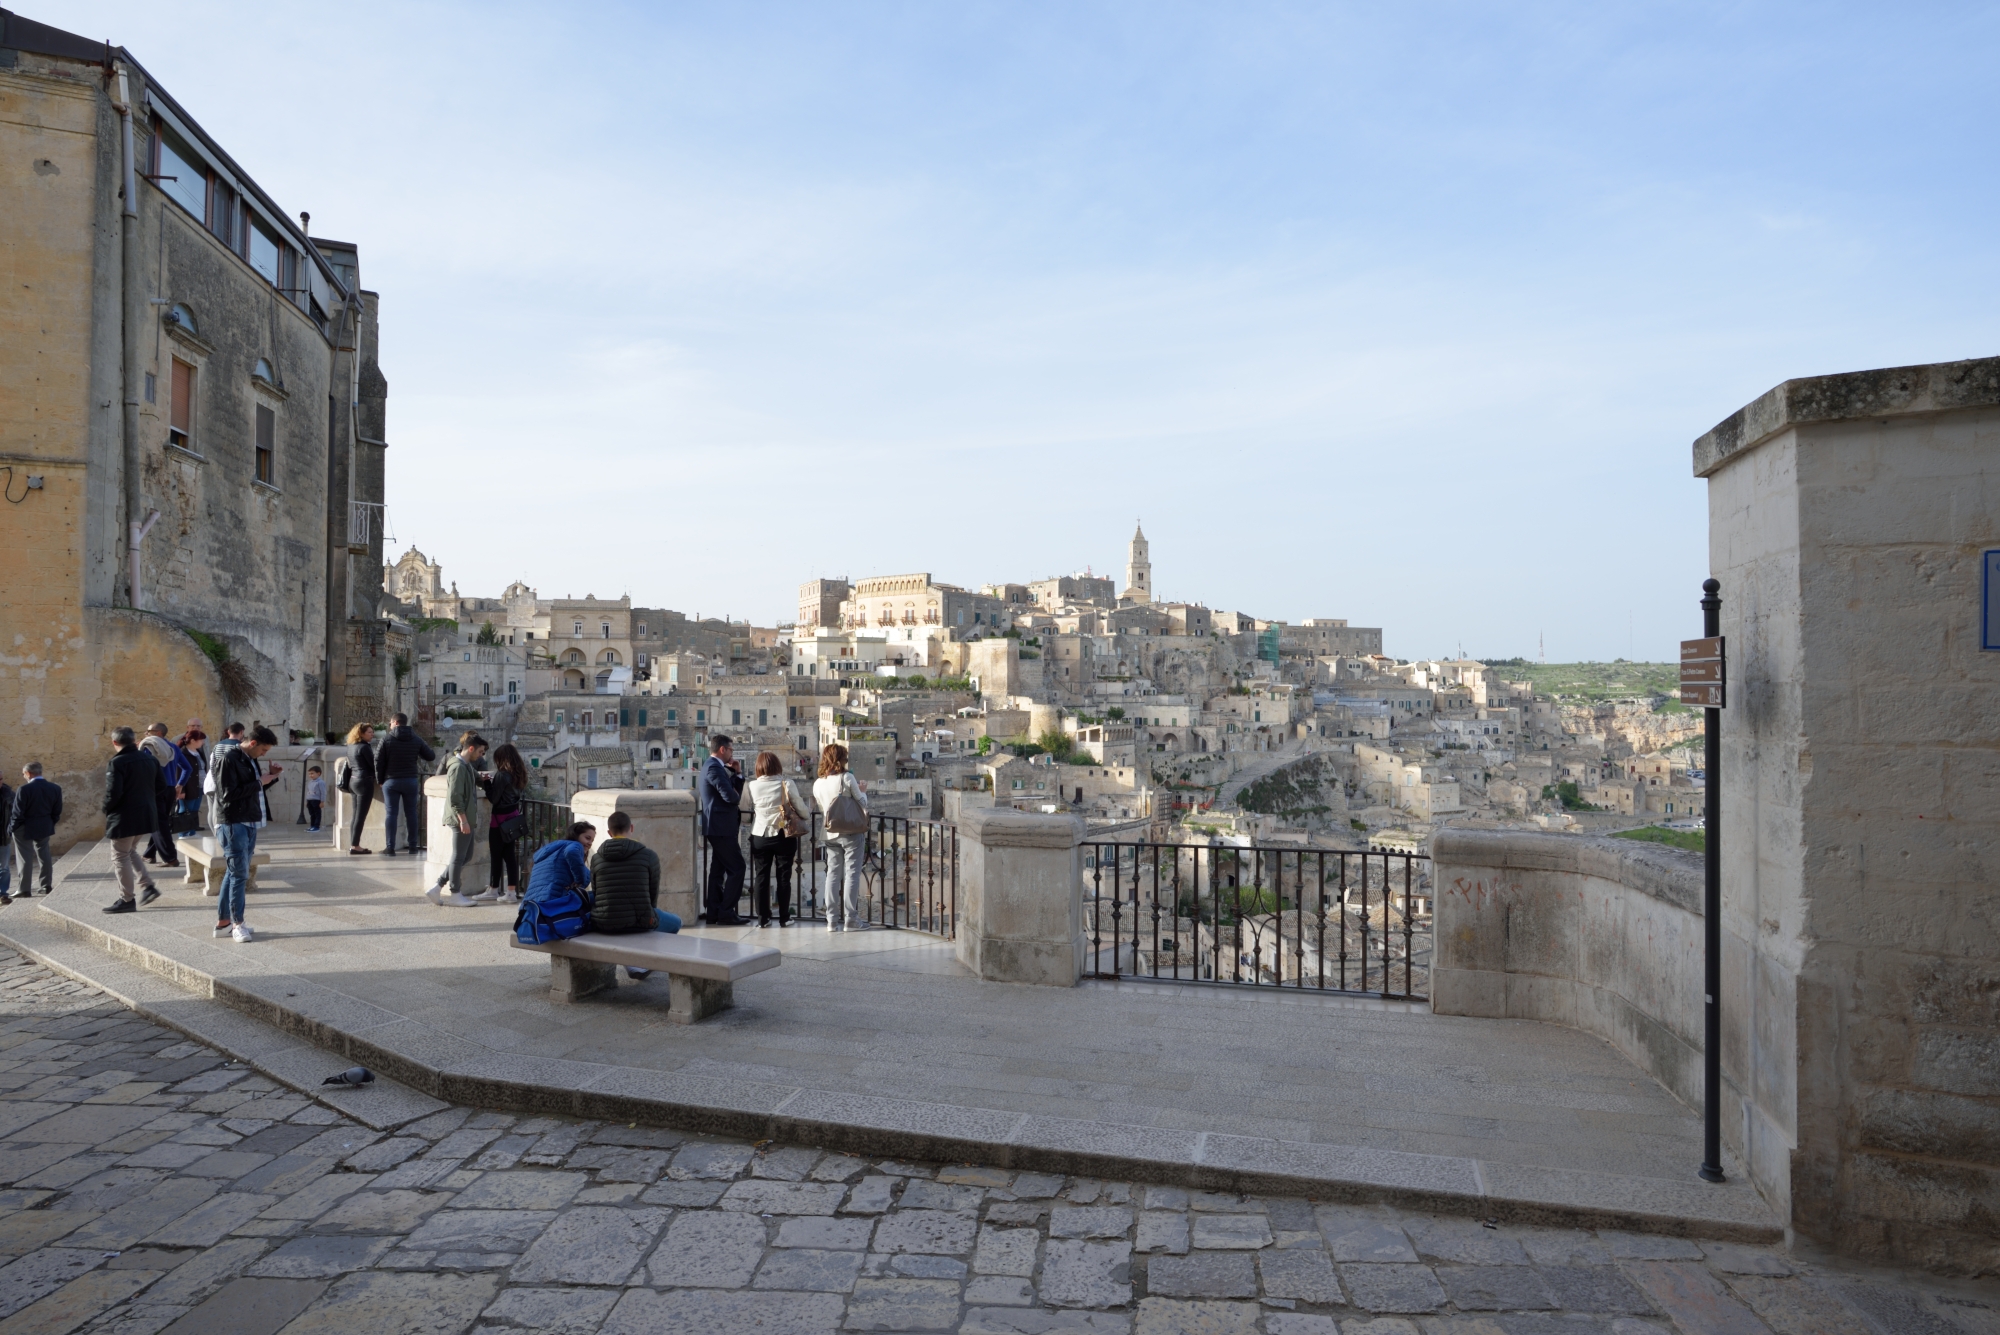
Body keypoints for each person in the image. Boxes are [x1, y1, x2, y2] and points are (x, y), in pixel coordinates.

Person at [589, 811, 679, 977]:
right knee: (675, 922)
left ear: (609, 832)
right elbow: (653, 896)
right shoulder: (649, 856)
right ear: (631, 828)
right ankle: (640, 962)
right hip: (638, 921)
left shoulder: (596, 858)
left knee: (627, 921)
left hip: (603, 921)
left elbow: (596, 892)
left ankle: (634, 963)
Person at [212, 725, 280, 942]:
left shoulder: (251, 759)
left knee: (234, 873)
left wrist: (271, 777)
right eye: (263, 750)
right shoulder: (230, 759)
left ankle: (223, 923)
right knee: (240, 875)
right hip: (234, 823)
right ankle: (237, 924)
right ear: (253, 743)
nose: (264, 754)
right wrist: (261, 781)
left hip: (249, 821)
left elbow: (252, 789)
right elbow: (227, 794)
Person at [102, 726, 171, 914]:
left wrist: (106, 809)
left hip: (125, 816)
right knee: (129, 851)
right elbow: (161, 785)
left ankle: (126, 899)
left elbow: (113, 793)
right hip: (146, 813)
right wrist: (144, 799)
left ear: (114, 742)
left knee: (119, 855)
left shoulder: (117, 763)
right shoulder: (150, 759)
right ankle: (148, 886)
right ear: (134, 741)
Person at [813, 743, 869, 932]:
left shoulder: (817, 784)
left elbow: (823, 810)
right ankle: (851, 920)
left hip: (829, 834)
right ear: (841, 759)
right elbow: (862, 803)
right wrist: (863, 791)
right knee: (852, 873)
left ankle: (831, 920)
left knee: (833, 874)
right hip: (851, 832)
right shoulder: (847, 778)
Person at [746, 751, 807, 928]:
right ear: (777, 766)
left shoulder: (751, 785)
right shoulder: (786, 783)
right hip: (783, 835)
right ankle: (784, 917)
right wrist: (805, 816)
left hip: (759, 835)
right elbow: (799, 806)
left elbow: (744, 812)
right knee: (784, 876)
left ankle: (762, 918)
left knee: (761, 877)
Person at [428, 732, 486, 907]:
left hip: (464, 817)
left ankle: (437, 887)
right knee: (458, 856)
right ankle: (454, 893)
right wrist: (463, 820)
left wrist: (485, 778)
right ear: (470, 748)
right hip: (460, 819)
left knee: (464, 855)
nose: (481, 756)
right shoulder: (458, 767)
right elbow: (454, 798)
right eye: (480, 752)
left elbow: (476, 777)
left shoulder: (466, 765)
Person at [698, 734, 747, 926]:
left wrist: (737, 774)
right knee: (738, 868)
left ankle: (714, 913)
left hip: (720, 826)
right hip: (720, 827)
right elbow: (732, 798)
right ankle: (726, 912)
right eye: (731, 750)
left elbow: (732, 794)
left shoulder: (716, 768)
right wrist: (733, 788)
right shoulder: (713, 768)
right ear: (722, 749)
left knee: (718, 871)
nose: (732, 753)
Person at [375, 712, 435, 857]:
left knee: (391, 814)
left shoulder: (386, 739)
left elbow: (378, 761)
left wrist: (380, 780)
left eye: (390, 723)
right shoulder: (416, 739)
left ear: (395, 722)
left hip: (391, 781)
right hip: (410, 780)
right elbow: (431, 756)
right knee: (411, 814)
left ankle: (390, 848)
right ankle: (413, 847)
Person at [474, 742, 528, 904]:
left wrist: (486, 782)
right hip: (512, 817)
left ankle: (493, 889)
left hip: (499, 820)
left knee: (496, 855)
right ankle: (511, 892)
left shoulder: (502, 775)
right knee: (510, 856)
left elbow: (493, 798)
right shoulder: (519, 774)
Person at [9, 762, 62, 898]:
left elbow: (18, 813)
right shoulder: (55, 788)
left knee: (24, 857)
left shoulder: (24, 789)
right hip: (44, 825)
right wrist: (50, 822)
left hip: (24, 827)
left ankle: (24, 889)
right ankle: (46, 885)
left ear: (28, 773)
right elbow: (57, 811)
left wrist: (11, 828)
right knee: (44, 855)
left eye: (23, 774)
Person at [137, 723, 183, 868]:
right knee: (161, 821)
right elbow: (186, 767)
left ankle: (170, 857)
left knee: (157, 823)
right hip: (170, 788)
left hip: (155, 789)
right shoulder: (173, 748)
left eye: (148, 731)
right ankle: (149, 854)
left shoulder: (148, 748)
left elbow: (143, 769)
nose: (146, 733)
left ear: (157, 733)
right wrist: (180, 784)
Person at [522, 819, 595, 912]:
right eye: (587, 838)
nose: (590, 843)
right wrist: (579, 881)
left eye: (592, 841)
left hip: (531, 902)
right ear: (576, 835)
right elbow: (571, 852)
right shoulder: (575, 845)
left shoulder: (554, 848)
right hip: (550, 899)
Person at [343, 722, 378, 855]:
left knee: (356, 815)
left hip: (353, 781)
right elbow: (373, 765)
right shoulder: (364, 747)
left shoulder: (351, 746)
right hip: (364, 782)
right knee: (360, 816)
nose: (372, 734)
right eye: (369, 732)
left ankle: (353, 843)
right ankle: (355, 846)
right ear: (361, 734)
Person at [175, 722, 208, 834]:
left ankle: (191, 835)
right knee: (185, 812)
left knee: (193, 812)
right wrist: (181, 790)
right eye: (201, 740)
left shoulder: (198, 752)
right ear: (193, 740)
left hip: (199, 786)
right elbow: (178, 772)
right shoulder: (182, 753)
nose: (203, 742)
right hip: (187, 787)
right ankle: (183, 835)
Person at [0, 771, 12, 904]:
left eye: (1, 779)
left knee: (4, 867)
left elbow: (16, 811)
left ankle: (3, 893)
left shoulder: (8, 793)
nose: (0, 782)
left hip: (3, 836)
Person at [304, 766, 325, 833]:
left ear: (318, 773)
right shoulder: (310, 782)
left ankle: (316, 826)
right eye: (309, 774)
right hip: (310, 800)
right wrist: (307, 801)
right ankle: (312, 826)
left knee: (317, 814)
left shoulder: (320, 782)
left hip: (316, 800)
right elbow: (308, 791)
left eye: (312, 773)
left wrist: (322, 801)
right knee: (312, 814)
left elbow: (323, 792)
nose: (310, 775)